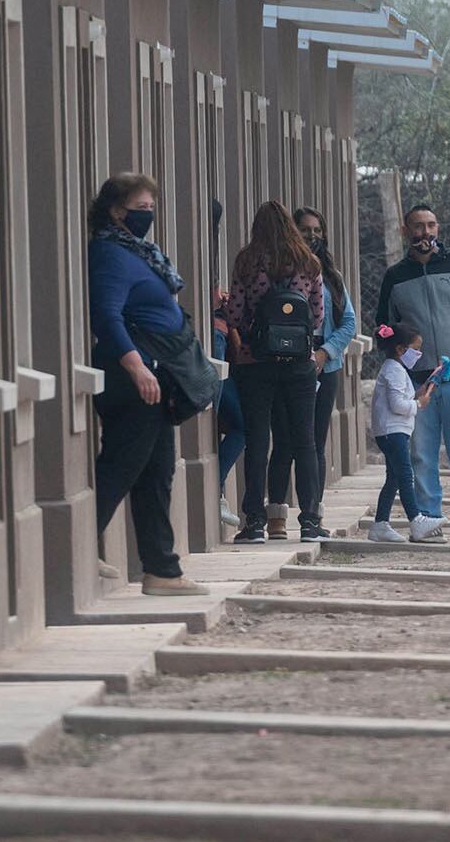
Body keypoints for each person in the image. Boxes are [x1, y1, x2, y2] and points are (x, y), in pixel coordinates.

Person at [87, 172, 208, 596]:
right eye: (142, 209)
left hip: (156, 377)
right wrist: (137, 367)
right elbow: (106, 315)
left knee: (156, 474)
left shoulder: (138, 252)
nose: (149, 216)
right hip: (133, 379)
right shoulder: (108, 253)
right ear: (117, 211)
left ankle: (162, 570)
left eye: (152, 209)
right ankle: (82, 541)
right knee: (123, 463)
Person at [375, 200, 450, 545]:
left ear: (438, 229)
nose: (424, 232)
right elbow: (383, 327)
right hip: (416, 384)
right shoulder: (395, 277)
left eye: (431, 225)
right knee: (421, 456)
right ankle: (428, 522)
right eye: (417, 226)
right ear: (405, 231)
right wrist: (400, 367)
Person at [224, 200, 327, 543]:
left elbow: (236, 315)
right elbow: (317, 317)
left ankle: (253, 521)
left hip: (257, 363)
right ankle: (310, 520)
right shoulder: (309, 263)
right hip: (299, 364)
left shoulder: (247, 262)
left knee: (257, 439)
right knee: (305, 440)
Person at [268, 206, 358, 539]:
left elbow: (349, 322)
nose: (312, 236)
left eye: (317, 231)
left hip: (325, 366)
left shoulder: (331, 277)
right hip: (285, 365)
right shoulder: (278, 271)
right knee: (284, 442)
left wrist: (324, 352)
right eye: (305, 230)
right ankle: (275, 516)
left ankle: (312, 513)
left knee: (314, 443)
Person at [369, 323, 446, 543]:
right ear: (402, 349)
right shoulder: (393, 369)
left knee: (393, 478)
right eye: (416, 349)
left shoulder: (396, 369)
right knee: (405, 475)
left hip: (394, 431)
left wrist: (423, 389)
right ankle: (416, 519)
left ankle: (380, 524)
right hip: (392, 431)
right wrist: (419, 404)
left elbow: (404, 398)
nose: (418, 354)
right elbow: (397, 405)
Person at [212, 285, 245, 528]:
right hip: (215, 337)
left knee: (240, 425)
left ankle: (218, 489)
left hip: (220, 338)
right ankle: (216, 488)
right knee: (241, 425)